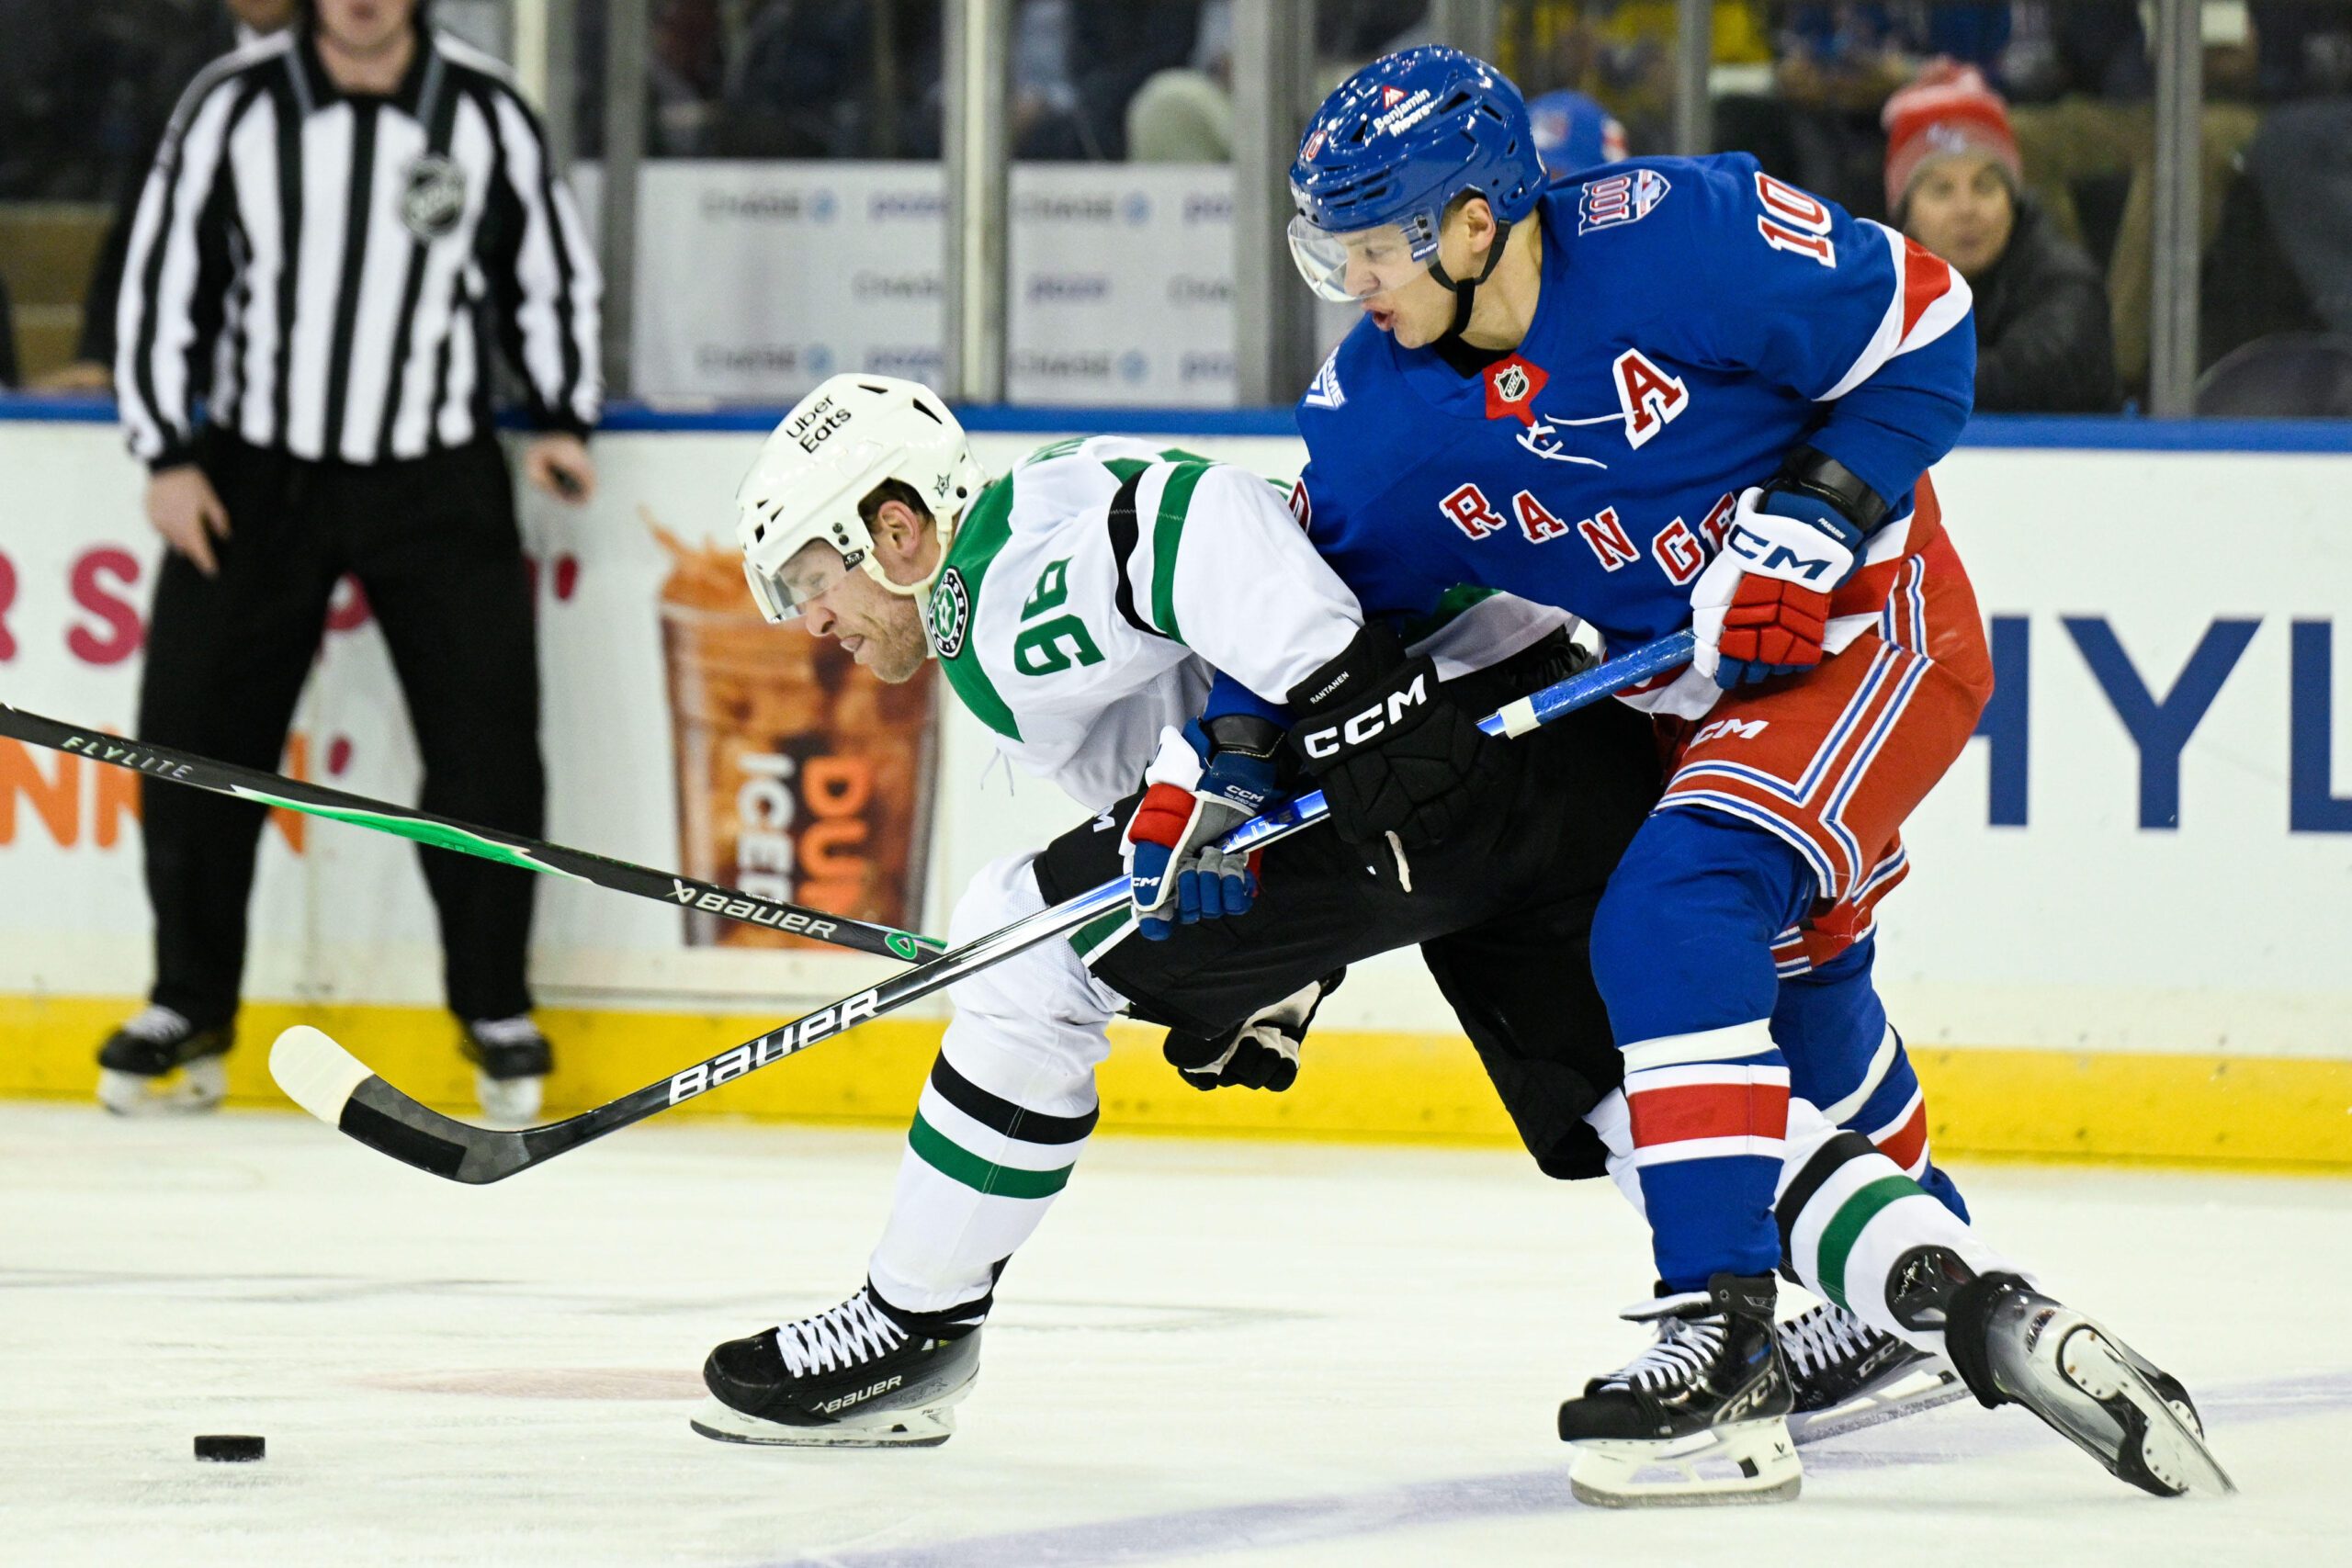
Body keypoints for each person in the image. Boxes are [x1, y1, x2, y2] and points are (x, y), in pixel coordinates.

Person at [691, 376, 2101, 1465]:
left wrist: (1350, 693)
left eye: (812, 580)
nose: (815, 619)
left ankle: (910, 1328)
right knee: (1625, 1087)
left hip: (1426, 770)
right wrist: (1263, 967)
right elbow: (1193, 779)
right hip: (1545, 749)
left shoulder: (999, 595)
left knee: (1018, 948)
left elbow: (1210, 529)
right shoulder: (1041, 522)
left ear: (893, 529)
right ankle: (1947, 1286)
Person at [1281, 46, 2228, 1505]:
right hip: (1696, 685)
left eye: (1375, 243)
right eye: (1329, 247)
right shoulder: (1379, 414)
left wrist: (1818, 513)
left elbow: (1928, 322)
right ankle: (1914, 1266)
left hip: (1870, 625)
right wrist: (1248, 790)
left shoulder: (1685, 233)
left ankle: (1721, 1331)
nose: (1353, 280)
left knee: (1672, 902)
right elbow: (1326, 623)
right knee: (1802, 974)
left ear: (1476, 225)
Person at [103, 0, 601, 1122]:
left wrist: (563, 414)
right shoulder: (234, 104)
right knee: (191, 737)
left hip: (435, 469)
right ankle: (188, 1004)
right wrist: (165, 453)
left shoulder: (483, 108)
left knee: (486, 745)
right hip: (256, 475)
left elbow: (549, 270)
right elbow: (160, 277)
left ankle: (494, 1009)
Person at [1884, 67, 2118, 413]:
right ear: (1907, 215)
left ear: (2012, 199)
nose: (1966, 209)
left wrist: (1888, 383)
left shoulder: (2064, 280)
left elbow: (2035, 376)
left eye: (1985, 186)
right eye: (1941, 190)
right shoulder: (1877, 289)